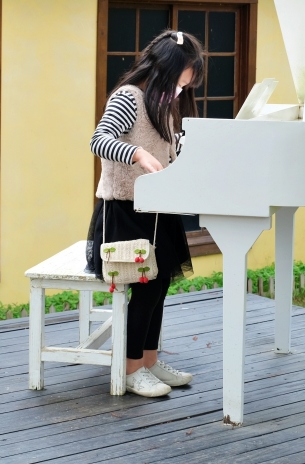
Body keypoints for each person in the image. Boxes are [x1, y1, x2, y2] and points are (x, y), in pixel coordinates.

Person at [87, 29, 204, 397]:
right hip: (124, 211)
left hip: (157, 210)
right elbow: (98, 139)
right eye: (181, 83)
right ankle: (129, 367)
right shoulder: (129, 97)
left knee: (160, 284)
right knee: (146, 286)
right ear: (165, 72)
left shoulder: (163, 105)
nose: (181, 92)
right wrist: (135, 154)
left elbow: (169, 156)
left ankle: (149, 361)